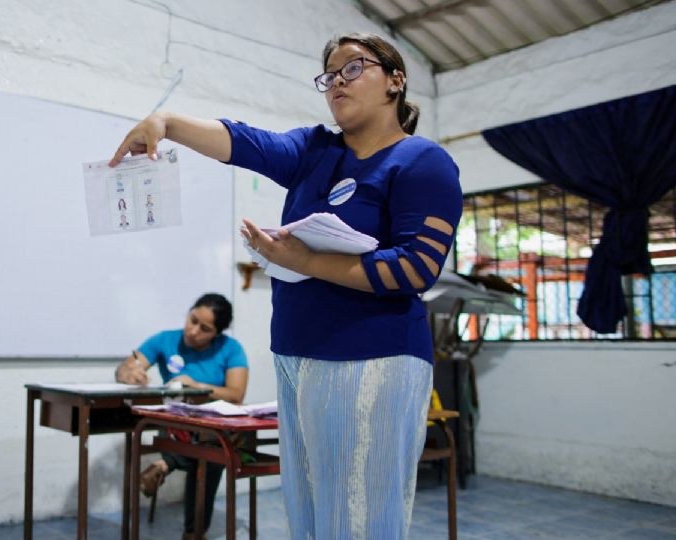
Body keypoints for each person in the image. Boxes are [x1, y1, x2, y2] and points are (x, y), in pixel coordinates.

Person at [110, 33, 462, 540]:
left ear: (396, 80)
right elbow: (245, 141)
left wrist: (308, 260)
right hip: (297, 355)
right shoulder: (315, 150)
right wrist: (167, 124)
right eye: (329, 76)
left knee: (359, 519)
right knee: (311, 517)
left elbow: (415, 269)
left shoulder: (423, 162)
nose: (337, 83)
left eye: (353, 69)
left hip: (373, 358)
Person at [115, 293, 249, 540]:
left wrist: (196, 385)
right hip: (177, 423)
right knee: (215, 451)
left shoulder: (231, 348)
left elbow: (236, 393)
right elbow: (123, 368)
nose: (193, 330)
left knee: (215, 445)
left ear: (217, 333)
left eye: (204, 328)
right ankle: (194, 533)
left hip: (214, 424)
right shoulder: (165, 340)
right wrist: (130, 374)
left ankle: (165, 463)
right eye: (193, 319)